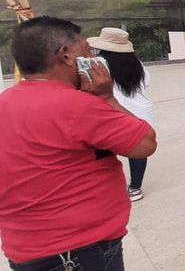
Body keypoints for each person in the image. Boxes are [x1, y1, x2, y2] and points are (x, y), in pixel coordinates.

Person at [0, 17, 157, 271]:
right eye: (87, 50)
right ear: (67, 55)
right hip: (80, 252)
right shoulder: (77, 106)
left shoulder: (6, 102)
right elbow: (145, 144)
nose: (93, 58)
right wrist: (107, 98)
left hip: (27, 250)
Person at [88, 27, 156, 202]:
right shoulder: (136, 62)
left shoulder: (97, 63)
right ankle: (135, 188)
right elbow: (146, 82)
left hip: (111, 112)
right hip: (139, 112)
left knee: (104, 151)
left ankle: (106, 189)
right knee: (137, 150)